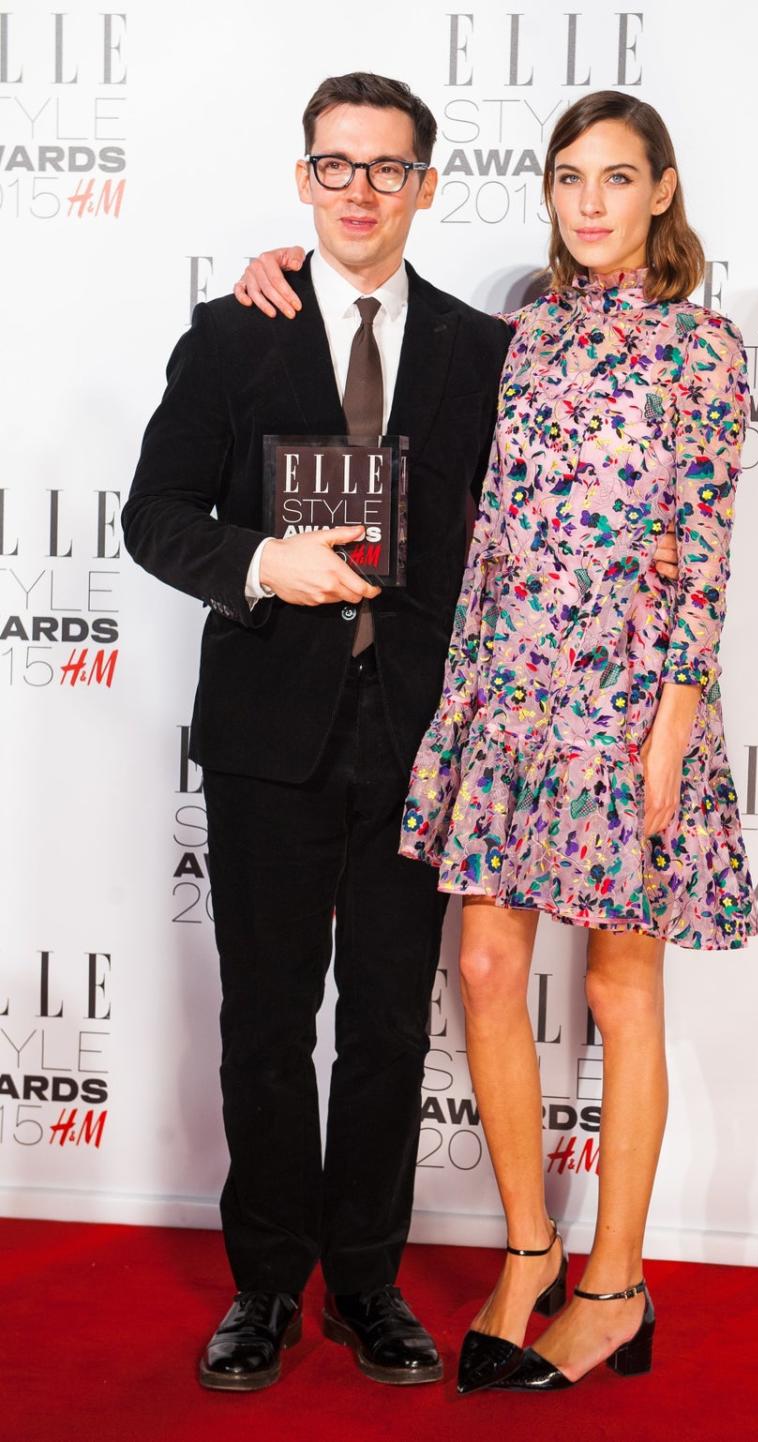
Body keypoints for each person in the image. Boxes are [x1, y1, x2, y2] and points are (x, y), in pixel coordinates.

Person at [230, 91, 688, 1396]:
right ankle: (508, 1257)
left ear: (661, 189)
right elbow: (371, 356)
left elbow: (693, 556)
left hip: (618, 707)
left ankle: (608, 1284)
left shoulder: (682, 348)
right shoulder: (516, 337)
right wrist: (280, 271)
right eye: (568, 178)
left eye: (616, 177)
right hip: (494, 705)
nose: (590, 202)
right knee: (474, 969)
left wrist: (675, 701)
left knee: (600, 994)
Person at [122, 71, 517, 1393]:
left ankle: (366, 1282)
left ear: (426, 184)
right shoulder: (236, 335)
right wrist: (259, 563)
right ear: (304, 178)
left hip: (416, 743)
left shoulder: (478, 350)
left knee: (392, 1030)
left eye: (386, 166)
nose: (359, 189)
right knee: (267, 1025)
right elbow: (154, 514)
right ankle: (264, 1286)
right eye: (335, 165)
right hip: (265, 740)